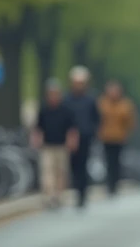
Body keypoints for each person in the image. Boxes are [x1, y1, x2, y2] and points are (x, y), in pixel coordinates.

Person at [33, 79, 78, 209]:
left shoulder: (66, 110)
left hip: (62, 146)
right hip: (47, 146)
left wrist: (72, 141)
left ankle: (58, 195)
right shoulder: (44, 110)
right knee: (47, 171)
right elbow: (38, 127)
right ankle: (49, 196)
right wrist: (36, 140)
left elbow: (72, 129)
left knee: (60, 172)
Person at [63, 65, 101, 210]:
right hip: (69, 137)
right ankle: (76, 189)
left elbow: (96, 118)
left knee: (84, 165)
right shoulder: (67, 100)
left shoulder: (90, 99)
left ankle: (82, 194)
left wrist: (93, 132)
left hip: (85, 137)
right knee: (73, 165)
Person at [97, 79, 138, 197]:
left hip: (119, 138)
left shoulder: (125, 104)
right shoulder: (102, 103)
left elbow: (131, 121)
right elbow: (97, 119)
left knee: (117, 162)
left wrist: (128, 131)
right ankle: (109, 184)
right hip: (106, 137)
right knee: (108, 161)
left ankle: (115, 184)